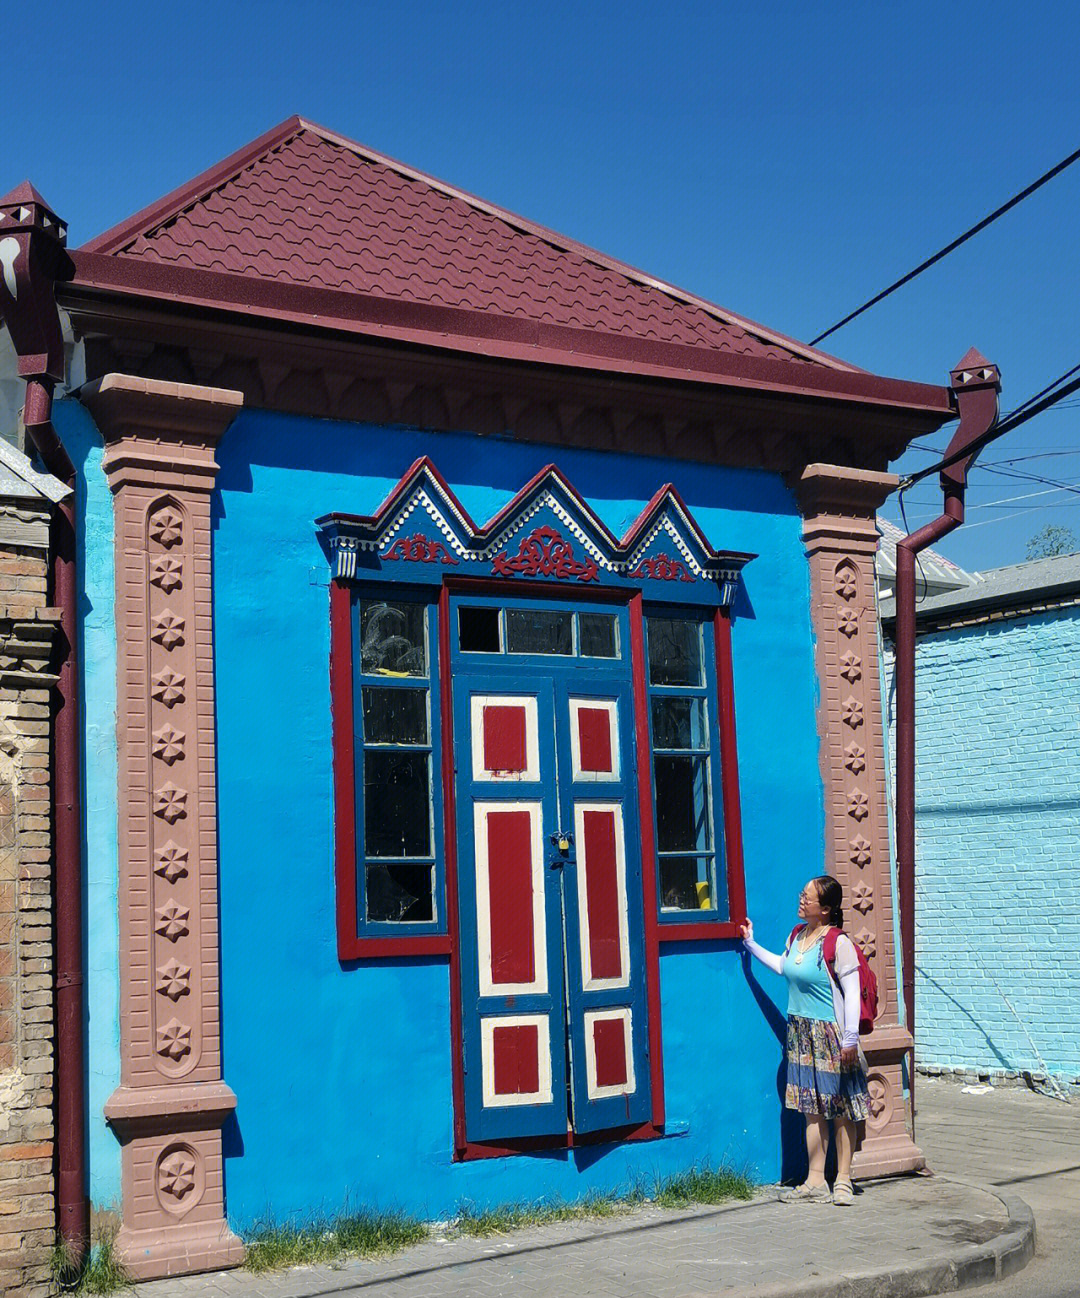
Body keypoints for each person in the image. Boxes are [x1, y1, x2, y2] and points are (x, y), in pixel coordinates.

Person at [739, 875, 869, 1206]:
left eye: (807, 897)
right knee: (811, 1109)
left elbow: (852, 995)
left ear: (824, 909)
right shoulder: (798, 936)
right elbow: (784, 967)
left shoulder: (838, 944)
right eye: (802, 894)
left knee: (840, 1111)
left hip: (832, 1036)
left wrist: (850, 1040)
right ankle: (815, 1181)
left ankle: (842, 1180)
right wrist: (751, 945)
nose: (801, 900)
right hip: (800, 1033)